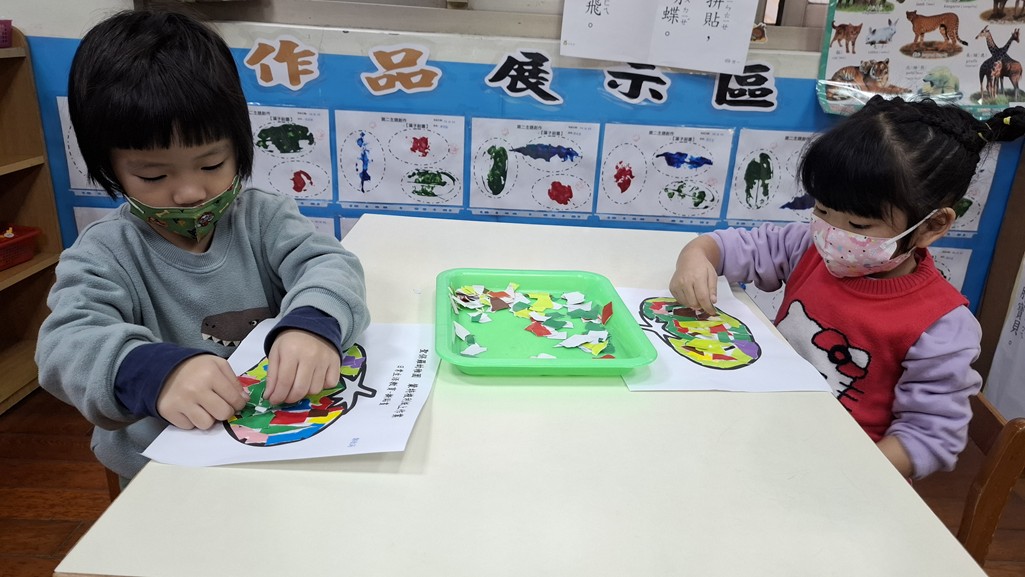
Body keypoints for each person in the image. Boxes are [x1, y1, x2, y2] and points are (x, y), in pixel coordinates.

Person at [35, 9, 370, 482]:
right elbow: (65, 345)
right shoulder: (105, 252)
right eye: (153, 175)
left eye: (212, 164)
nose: (190, 192)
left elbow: (328, 264)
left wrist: (312, 325)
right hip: (162, 469)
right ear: (109, 167)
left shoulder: (263, 216)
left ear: (239, 145)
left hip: (277, 448)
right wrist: (152, 374)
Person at [670, 96, 1025, 480]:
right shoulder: (809, 248)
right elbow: (732, 248)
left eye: (858, 226)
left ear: (931, 226)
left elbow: (929, 438)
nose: (833, 234)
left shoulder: (941, 326)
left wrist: (842, 473)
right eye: (822, 210)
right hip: (762, 429)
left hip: (839, 472)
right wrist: (696, 256)